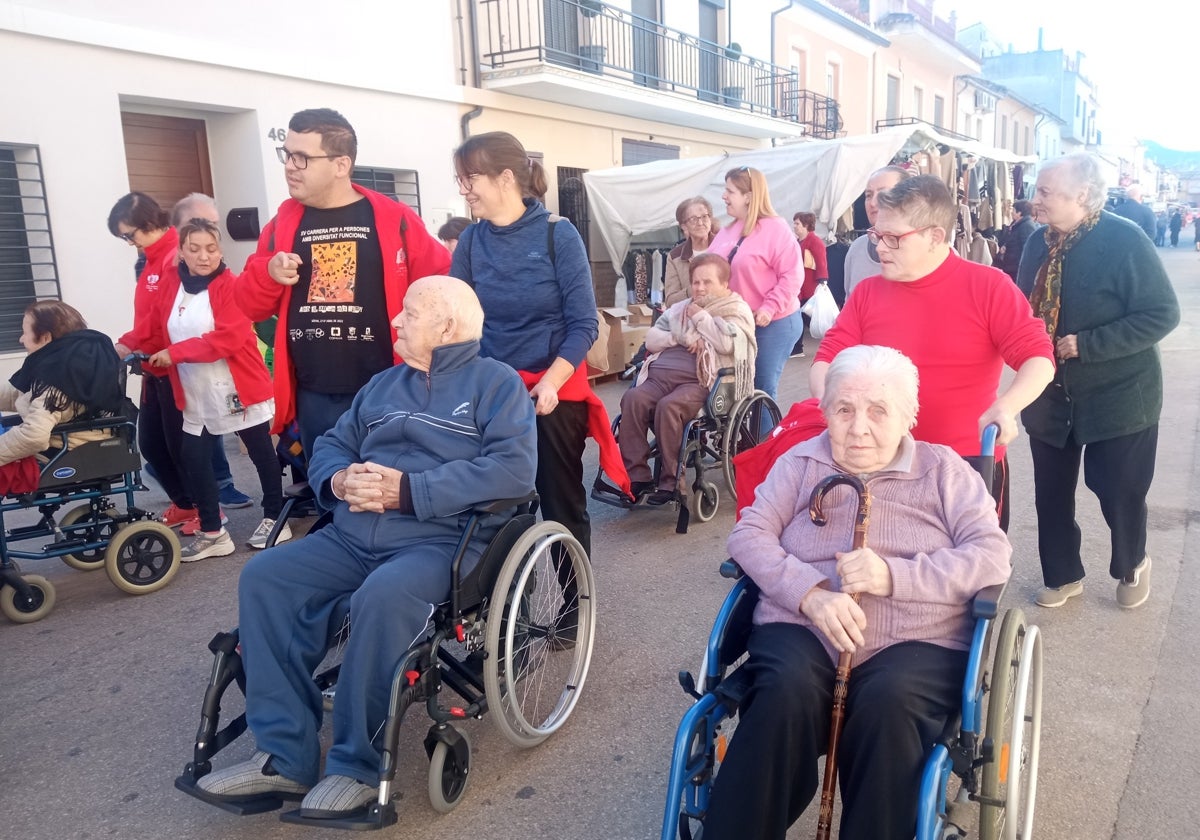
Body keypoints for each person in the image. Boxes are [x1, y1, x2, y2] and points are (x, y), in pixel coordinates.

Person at [193, 276, 537, 818]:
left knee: (383, 596)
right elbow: (332, 444)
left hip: (441, 540)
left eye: (408, 313)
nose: (395, 322)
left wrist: (410, 491)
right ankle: (285, 756)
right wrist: (337, 481)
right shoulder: (382, 385)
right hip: (352, 536)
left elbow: (513, 471)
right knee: (266, 578)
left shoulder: (496, 385)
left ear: (446, 328)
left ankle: (355, 765)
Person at [702, 345, 1011, 840]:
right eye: (844, 410)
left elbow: (991, 556)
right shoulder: (800, 463)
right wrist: (810, 593)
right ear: (826, 412)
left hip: (916, 640)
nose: (859, 427)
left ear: (909, 416)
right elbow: (748, 535)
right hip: (803, 628)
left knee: (889, 705)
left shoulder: (944, 470)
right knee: (784, 692)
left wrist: (894, 577)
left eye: (878, 411)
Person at [811, 175, 1055, 530]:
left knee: (968, 572)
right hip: (883, 459)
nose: (880, 248)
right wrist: (831, 404)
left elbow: (1038, 358)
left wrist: (1006, 407)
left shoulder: (989, 287)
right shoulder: (867, 293)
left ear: (934, 236)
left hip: (967, 462)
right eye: (877, 236)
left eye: (893, 239)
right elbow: (828, 357)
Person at [234, 108, 451, 463]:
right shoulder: (281, 225)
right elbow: (250, 307)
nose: (290, 166)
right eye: (287, 154)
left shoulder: (394, 218)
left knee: (386, 489)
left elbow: (441, 288)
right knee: (328, 490)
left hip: (389, 386)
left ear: (340, 165)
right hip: (312, 392)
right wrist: (267, 273)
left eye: (302, 157)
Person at [450, 130, 626, 563]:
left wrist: (550, 382)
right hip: (492, 388)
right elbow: (455, 315)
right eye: (461, 180)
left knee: (559, 501)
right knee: (495, 506)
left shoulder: (557, 234)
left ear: (505, 178)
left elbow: (584, 323)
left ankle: (572, 609)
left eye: (470, 178)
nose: (464, 190)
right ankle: (510, 613)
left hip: (552, 386)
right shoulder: (472, 241)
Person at [1017, 153, 1180, 610]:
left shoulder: (1124, 240)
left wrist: (1089, 343)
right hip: (1049, 393)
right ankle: (1062, 575)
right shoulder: (1036, 244)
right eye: (1038, 189)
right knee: (1051, 492)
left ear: (1082, 196)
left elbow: (1162, 313)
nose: (1036, 199)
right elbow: (1021, 309)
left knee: (1117, 489)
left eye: (1046, 191)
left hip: (1121, 395)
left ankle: (1133, 560)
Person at [143, 218, 286, 560]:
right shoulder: (172, 285)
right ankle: (213, 531)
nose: (203, 256)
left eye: (211, 248)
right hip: (195, 389)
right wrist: (122, 346)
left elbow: (230, 338)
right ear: (181, 252)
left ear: (220, 251)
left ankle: (275, 517)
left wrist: (173, 353)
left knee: (259, 451)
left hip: (235, 385)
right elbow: (153, 327)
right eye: (194, 249)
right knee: (193, 458)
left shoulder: (230, 286)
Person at [619, 254, 755, 504]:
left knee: (668, 407)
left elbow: (726, 343)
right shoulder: (679, 308)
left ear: (725, 284)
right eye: (695, 282)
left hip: (702, 381)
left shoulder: (734, 309)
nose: (700, 288)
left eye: (707, 282)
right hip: (660, 377)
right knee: (632, 399)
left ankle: (671, 482)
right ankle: (638, 477)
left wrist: (700, 318)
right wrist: (679, 339)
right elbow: (651, 338)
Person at [109, 192, 198, 529]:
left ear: (148, 224)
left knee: (182, 449)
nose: (128, 242)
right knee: (151, 445)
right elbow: (147, 319)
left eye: (128, 234)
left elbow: (167, 320)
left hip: (177, 368)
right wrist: (128, 343)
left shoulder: (175, 258)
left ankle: (208, 510)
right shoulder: (150, 260)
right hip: (152, 368)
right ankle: (185, 505)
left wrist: (127, 343)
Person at [171, 193, 253, 512]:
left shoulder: (224, 279)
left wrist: (177, 352)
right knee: (195, 443)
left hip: (230, 378)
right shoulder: (169, 274)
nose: (209, 232)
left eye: (214, 226)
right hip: (189, 380)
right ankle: (208, 515)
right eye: (199, 225)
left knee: (248, 440)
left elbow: (228, 336)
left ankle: (270, 511)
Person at [1, 302, 125, 494]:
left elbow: (34, 436)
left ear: (45, 337)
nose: (21, 339)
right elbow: (19, 394)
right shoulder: (67, 364)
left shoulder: (59, 379)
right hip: (76, 447)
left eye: (25, 332)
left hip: (63, 454)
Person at [707, 166, 803, 399]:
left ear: (748, 197)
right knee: (736, 389)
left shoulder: (775, 229)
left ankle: (767, 437)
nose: (724, 196)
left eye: (730, 191)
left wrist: (769, 308)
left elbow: (792, 276)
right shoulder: (727, 231)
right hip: (738, 322)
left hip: (774, 323)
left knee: (760, 388)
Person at [842, 165, 915, 300]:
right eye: (868, 195)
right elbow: (849, 304)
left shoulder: (931, 251)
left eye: (884, 194)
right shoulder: (857, 249)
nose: (873, 203)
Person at [663, 196, 719, 308]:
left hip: (722, 315)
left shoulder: (724, 246)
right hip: (691, 319)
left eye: (704, 217)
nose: (700, 223)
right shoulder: (675, 256)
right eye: (693, 219)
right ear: (684, 226)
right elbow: (670, 301)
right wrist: (694, 289)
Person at [791, 211, 828, 358]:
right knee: (804, 317)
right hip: (801, 286)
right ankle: (797, 348)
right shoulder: (798, 241)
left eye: (797, 223)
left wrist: (822, 281)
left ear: (806, 225)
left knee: (808, 317)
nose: (794, 226)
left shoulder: (815, 241)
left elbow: (821, 262)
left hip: (810, 286)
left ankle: (798, 348)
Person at [997, 199, 1035, 282]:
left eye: (1013, 210)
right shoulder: (1016, 224)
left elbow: (1027, 250)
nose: (1011, 212)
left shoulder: (1027, 226)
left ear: (1020, 213)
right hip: (1010, 266)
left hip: (1015, 269)